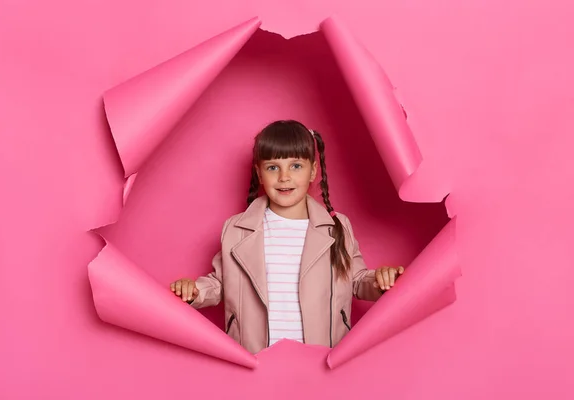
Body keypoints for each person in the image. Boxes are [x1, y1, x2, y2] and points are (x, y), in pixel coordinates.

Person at [170, 120, 404, 354]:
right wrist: (195, 291)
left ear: (313, 170)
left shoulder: (336, 226)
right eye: (273, 167)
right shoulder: (236, 229)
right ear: (259, 173)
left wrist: (380, 280)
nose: (284, 177)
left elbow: (356, 280)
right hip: (256, 357)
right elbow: (222, 283)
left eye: (295, 166)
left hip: (321, 357)